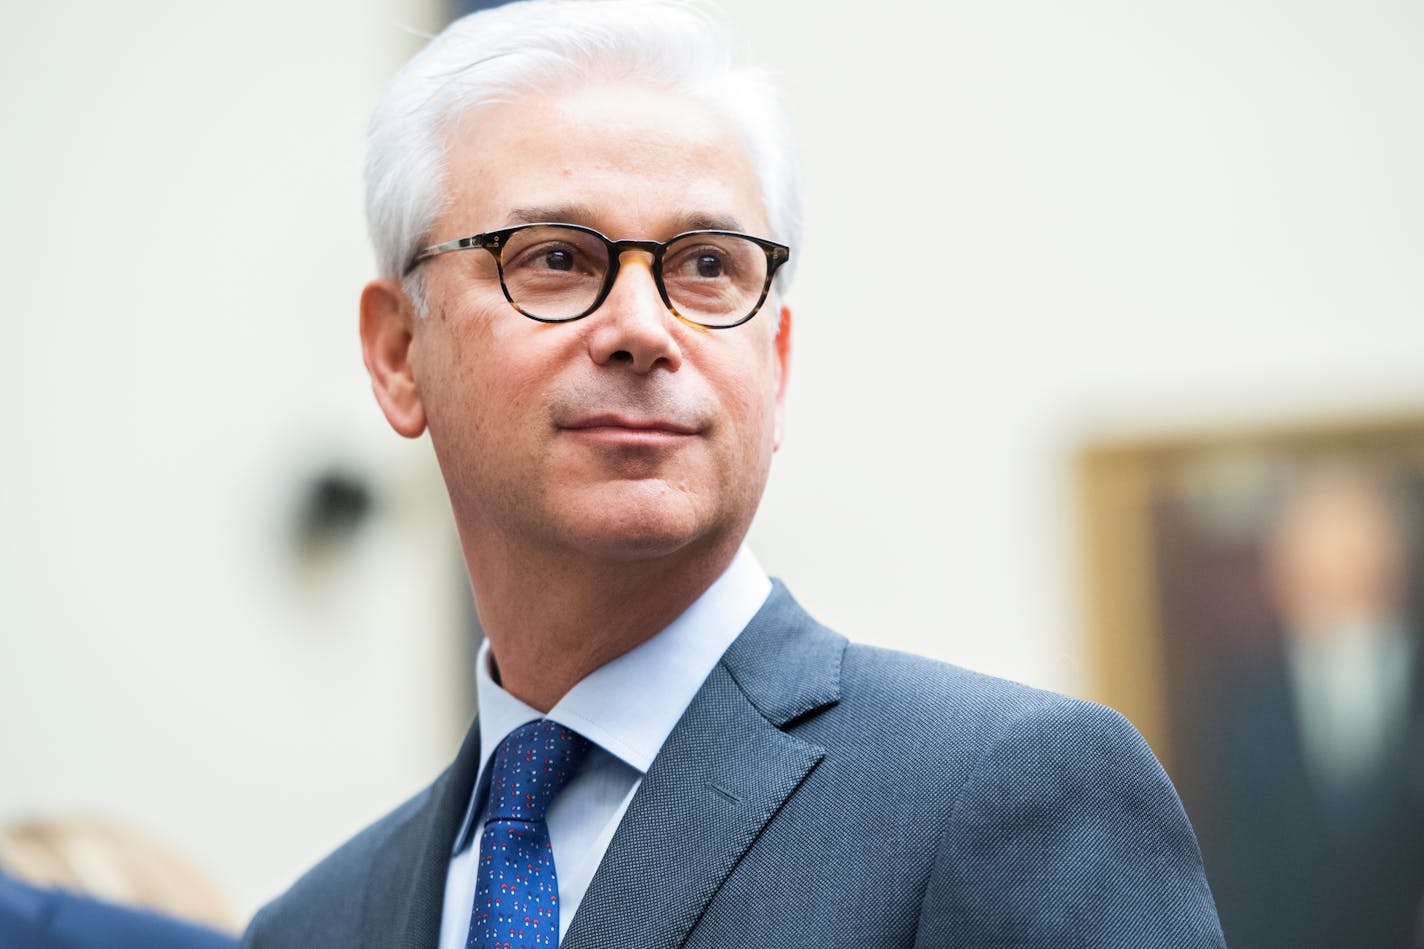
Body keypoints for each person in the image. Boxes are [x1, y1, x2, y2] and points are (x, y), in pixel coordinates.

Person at [242, 1, 1224, 946]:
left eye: (707, 266)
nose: (641, 328)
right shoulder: (314, 927)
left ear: (776, 360)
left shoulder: (1005, 793)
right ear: (396, 352)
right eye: (553, 257)